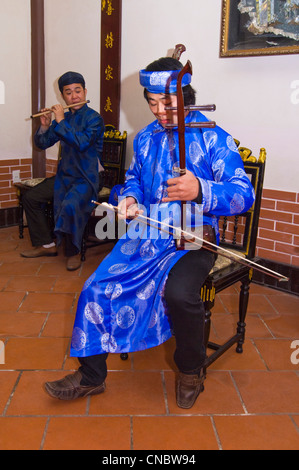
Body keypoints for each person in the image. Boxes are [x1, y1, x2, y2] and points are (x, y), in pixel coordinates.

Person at [44, 58, 255, 407]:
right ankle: (91, 375)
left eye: (167, 103)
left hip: (193, 236)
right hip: (146, 235)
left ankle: (190, 370)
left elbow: (242, 194)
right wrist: (129, 198)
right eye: (152, 103)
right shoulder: (145, 138)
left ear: (186, 97)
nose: (159, 111)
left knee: (180, 294)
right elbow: (133, 182)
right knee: (96, 286)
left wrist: (201, 189)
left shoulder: (213, 137)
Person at [20, 71, 105, 271]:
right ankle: (46, 244)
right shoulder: (64, 118)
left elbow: (82, 143)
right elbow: (42, 144)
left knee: (71, 204)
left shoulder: (94, 119)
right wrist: (45, 125)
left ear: (85, 92)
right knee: (31, 198)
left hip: (88, 177)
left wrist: (60, 121)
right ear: (62, 96)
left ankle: (73, 251)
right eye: (68, 92)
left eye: (78, 91)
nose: (74, 96)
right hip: (66, 176)